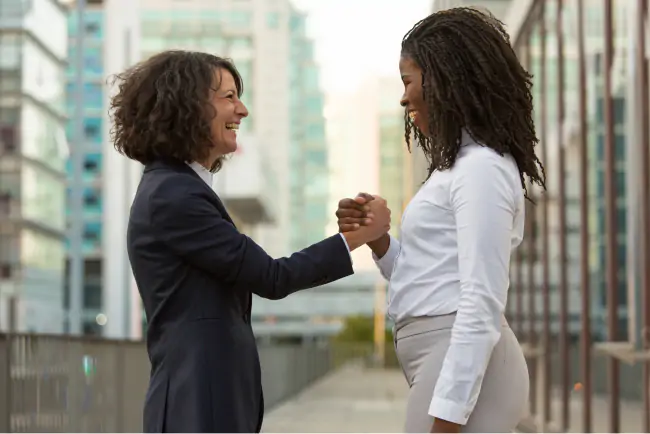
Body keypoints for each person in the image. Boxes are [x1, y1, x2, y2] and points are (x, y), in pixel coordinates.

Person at [110, 50, 390, 433]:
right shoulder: (174, 195)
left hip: (204, 402)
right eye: (228, 97)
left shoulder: (177, 188)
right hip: (198, 406)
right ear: (187, 106)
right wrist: (358, 238)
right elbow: (273, 277)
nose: (242, 110)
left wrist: (350, 235)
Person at [336, 8, 546, 434]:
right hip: (440, 357)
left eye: (407, 81)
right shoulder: (459, 168)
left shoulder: (482, 169)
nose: (402, 97)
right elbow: (428, 281)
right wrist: (380, 242)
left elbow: (482, 300)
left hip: (464, 365)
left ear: (444, 81)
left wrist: (447, 417)